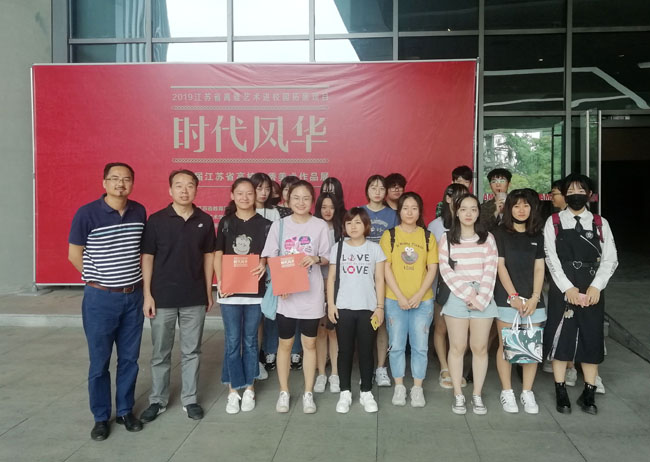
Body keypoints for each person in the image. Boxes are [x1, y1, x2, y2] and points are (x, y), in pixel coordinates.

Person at [68, 162, 146, 441]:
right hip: (100, 298)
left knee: (130, 359)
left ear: (132, 183)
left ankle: (125, 411)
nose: (120, 184)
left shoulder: (139, 211)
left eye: (126, 179)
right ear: (104, 183)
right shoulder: (86, 213)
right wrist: (97, 279)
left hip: (133, 296)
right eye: (114, 179)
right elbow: (74, 254)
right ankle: (101, 417)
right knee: (100, 361)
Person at [140, 170, 216, 423]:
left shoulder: (204, 220)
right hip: (162, 297)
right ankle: (157, 400)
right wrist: (147, 295)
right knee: (160, 352)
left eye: (190, 185)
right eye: (179, 185)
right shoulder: (156, 220)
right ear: (170, 190)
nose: (184, 190)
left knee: (192, 351)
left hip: (194, 296)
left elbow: (208, 256)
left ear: (196, 189)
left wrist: (208, 290)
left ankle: (190, 399)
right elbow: (147, 257)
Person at [543, 173, 618, 415]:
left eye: (581, 190)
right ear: (565, 194)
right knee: (561, 337)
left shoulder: (600, 223)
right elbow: (550, 258)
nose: (576, 194)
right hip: (563, 286)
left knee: (591, 337)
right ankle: (560, 389)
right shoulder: (554, 221)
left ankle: (589, 392)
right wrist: (568, 288)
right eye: (571, 190)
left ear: (590, 195)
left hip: (592, 286)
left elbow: (610, 259)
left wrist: (596, 286)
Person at [261, 180, 331, 414]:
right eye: (296, 198)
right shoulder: (279, 225)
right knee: (285, 344)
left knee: (309, 344)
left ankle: (308, 392)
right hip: (286, 295)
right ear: (287, 200)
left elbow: (327, 257)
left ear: (312, 201)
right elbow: (271, 258)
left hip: (311, 295)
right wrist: (281, 283)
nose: (301, 202)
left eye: (306, 198)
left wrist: (316, 259)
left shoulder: (320, 226)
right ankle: (284, 391)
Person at [214, 178, 271, 414]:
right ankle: (233, 391)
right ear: (232, 195)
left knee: (250, 341)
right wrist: (221, 282)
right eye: (240, 193)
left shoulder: (265, 224)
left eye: (249, 193)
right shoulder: (226, 223)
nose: (245, 197)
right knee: (232, 341)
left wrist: (264, 263)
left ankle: (249, 388)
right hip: (229, 292)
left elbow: (269, 253)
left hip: (255, 293)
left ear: (255, 195)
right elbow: (218, 254)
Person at [439, 193, 498, 415]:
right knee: (457, 347)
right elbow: (445, 270)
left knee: (480, 348)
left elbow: (491, 269)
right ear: (456, 212)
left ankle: (477, 395)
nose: (468, 213)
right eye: (463, 209)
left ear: (478, 212)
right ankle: (458, 394)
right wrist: (468, 294)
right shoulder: (446, 238)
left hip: (484, 295)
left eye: (473, 209)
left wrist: (480, 297)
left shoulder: (488, 238)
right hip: (457, 295)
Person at [380, 192, 438, 408]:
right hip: (395, 300)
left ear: (419, 211)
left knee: (420, 346)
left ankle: (417, 388)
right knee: (396, 345)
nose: (410, 212)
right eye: (405, 208)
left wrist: (419, 295)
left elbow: (432, 268)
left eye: (414, 208)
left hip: (423, 301)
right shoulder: (390, 236)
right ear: (400, 210)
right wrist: (400, 296)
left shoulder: (428, 237)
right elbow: (385, 268)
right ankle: (399, 386)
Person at [328, 208, 386, 413]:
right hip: (343, 307)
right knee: (344, 351)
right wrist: (331, 304)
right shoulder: (338, 248)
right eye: (349, 223)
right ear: (344, 226)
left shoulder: (375, 249)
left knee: (366, 351)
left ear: (366, 225)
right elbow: (331, 278)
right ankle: (345, 392)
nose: (353, 226)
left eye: (358, 222)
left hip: (368, 308)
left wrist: (380, 307)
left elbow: (380, 279)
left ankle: (366, 392)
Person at [493, 189, 546, 414]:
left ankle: (527, 391)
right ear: (509, 209)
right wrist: (513, 296)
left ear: (532, 208)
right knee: (506, 345)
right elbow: (500, 266)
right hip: (506, 299)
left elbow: (539, 268)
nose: (521, 210)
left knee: (531, 344)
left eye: (526, 205)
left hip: (533, 300)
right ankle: (507, 391)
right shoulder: (499, 234)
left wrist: (535, 297)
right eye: (516, 205)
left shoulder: (538, 236)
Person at [427, 183, 469, 389]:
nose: (459, 201)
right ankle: (444, 367)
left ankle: (456, 367)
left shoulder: (470, 223)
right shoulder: (435, 225)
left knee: (461, 331)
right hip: (441, 285)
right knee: (441, 327)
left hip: (466, 286)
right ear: (447, 199)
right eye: (455, 197)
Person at [361, 174, 397, 387]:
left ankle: (381, 367)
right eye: (373, 187)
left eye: (381, 188)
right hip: (361, 275)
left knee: (382, 323)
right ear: (367, 190)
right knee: (365, 325)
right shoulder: (359, 212)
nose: (377, 192)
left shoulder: (393, 215)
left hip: (385, 275)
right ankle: (366, 367)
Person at [313, 193, 343, 393]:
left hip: (337, 285)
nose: (327, 211)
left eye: (331, 207)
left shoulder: (343, 230)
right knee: (320, 330)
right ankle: (322, 373)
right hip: (315, 284)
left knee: (334, 331)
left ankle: (335, 374)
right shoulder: (313, 228)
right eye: (324, 207)